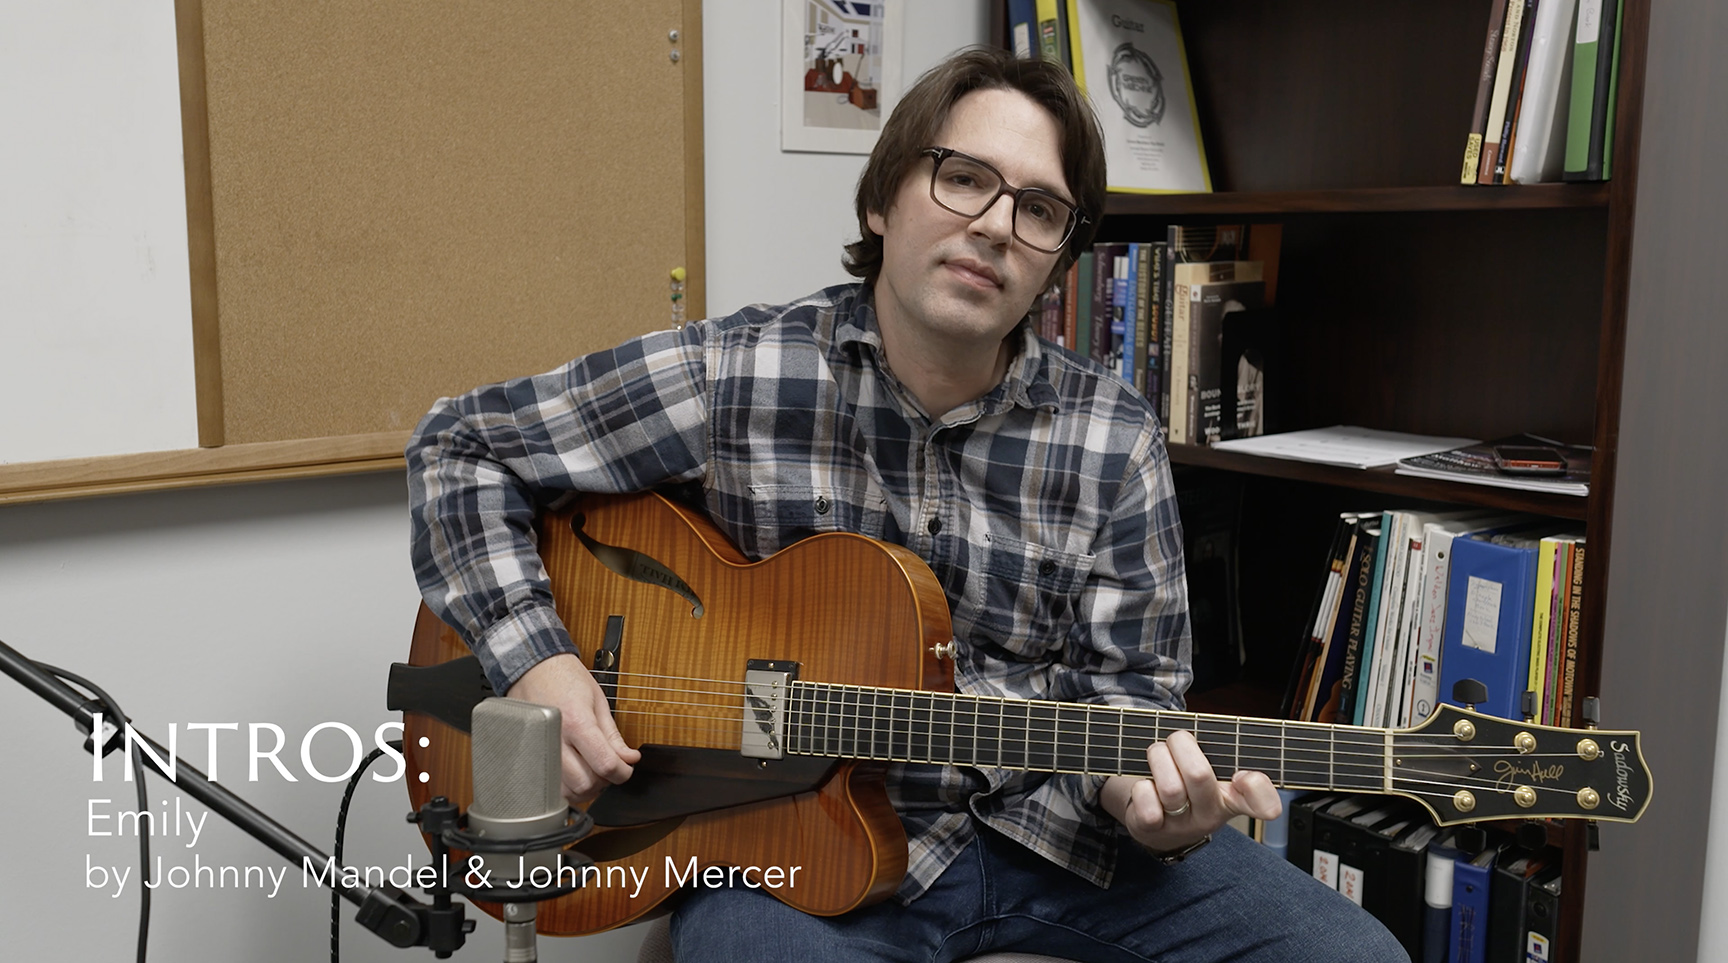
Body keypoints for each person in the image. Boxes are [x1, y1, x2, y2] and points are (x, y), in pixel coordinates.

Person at [408, 47, 1407, 963]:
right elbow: (461, 447)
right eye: (963, 177)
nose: (993, 226)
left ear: (1059, 260)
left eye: (1040, 209)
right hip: (785, 851)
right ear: (886, 197)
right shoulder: (740, 373)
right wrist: (539, 661)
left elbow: (1131, 694)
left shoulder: (1113, 437)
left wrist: (1148, 802)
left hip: (1047, 836)